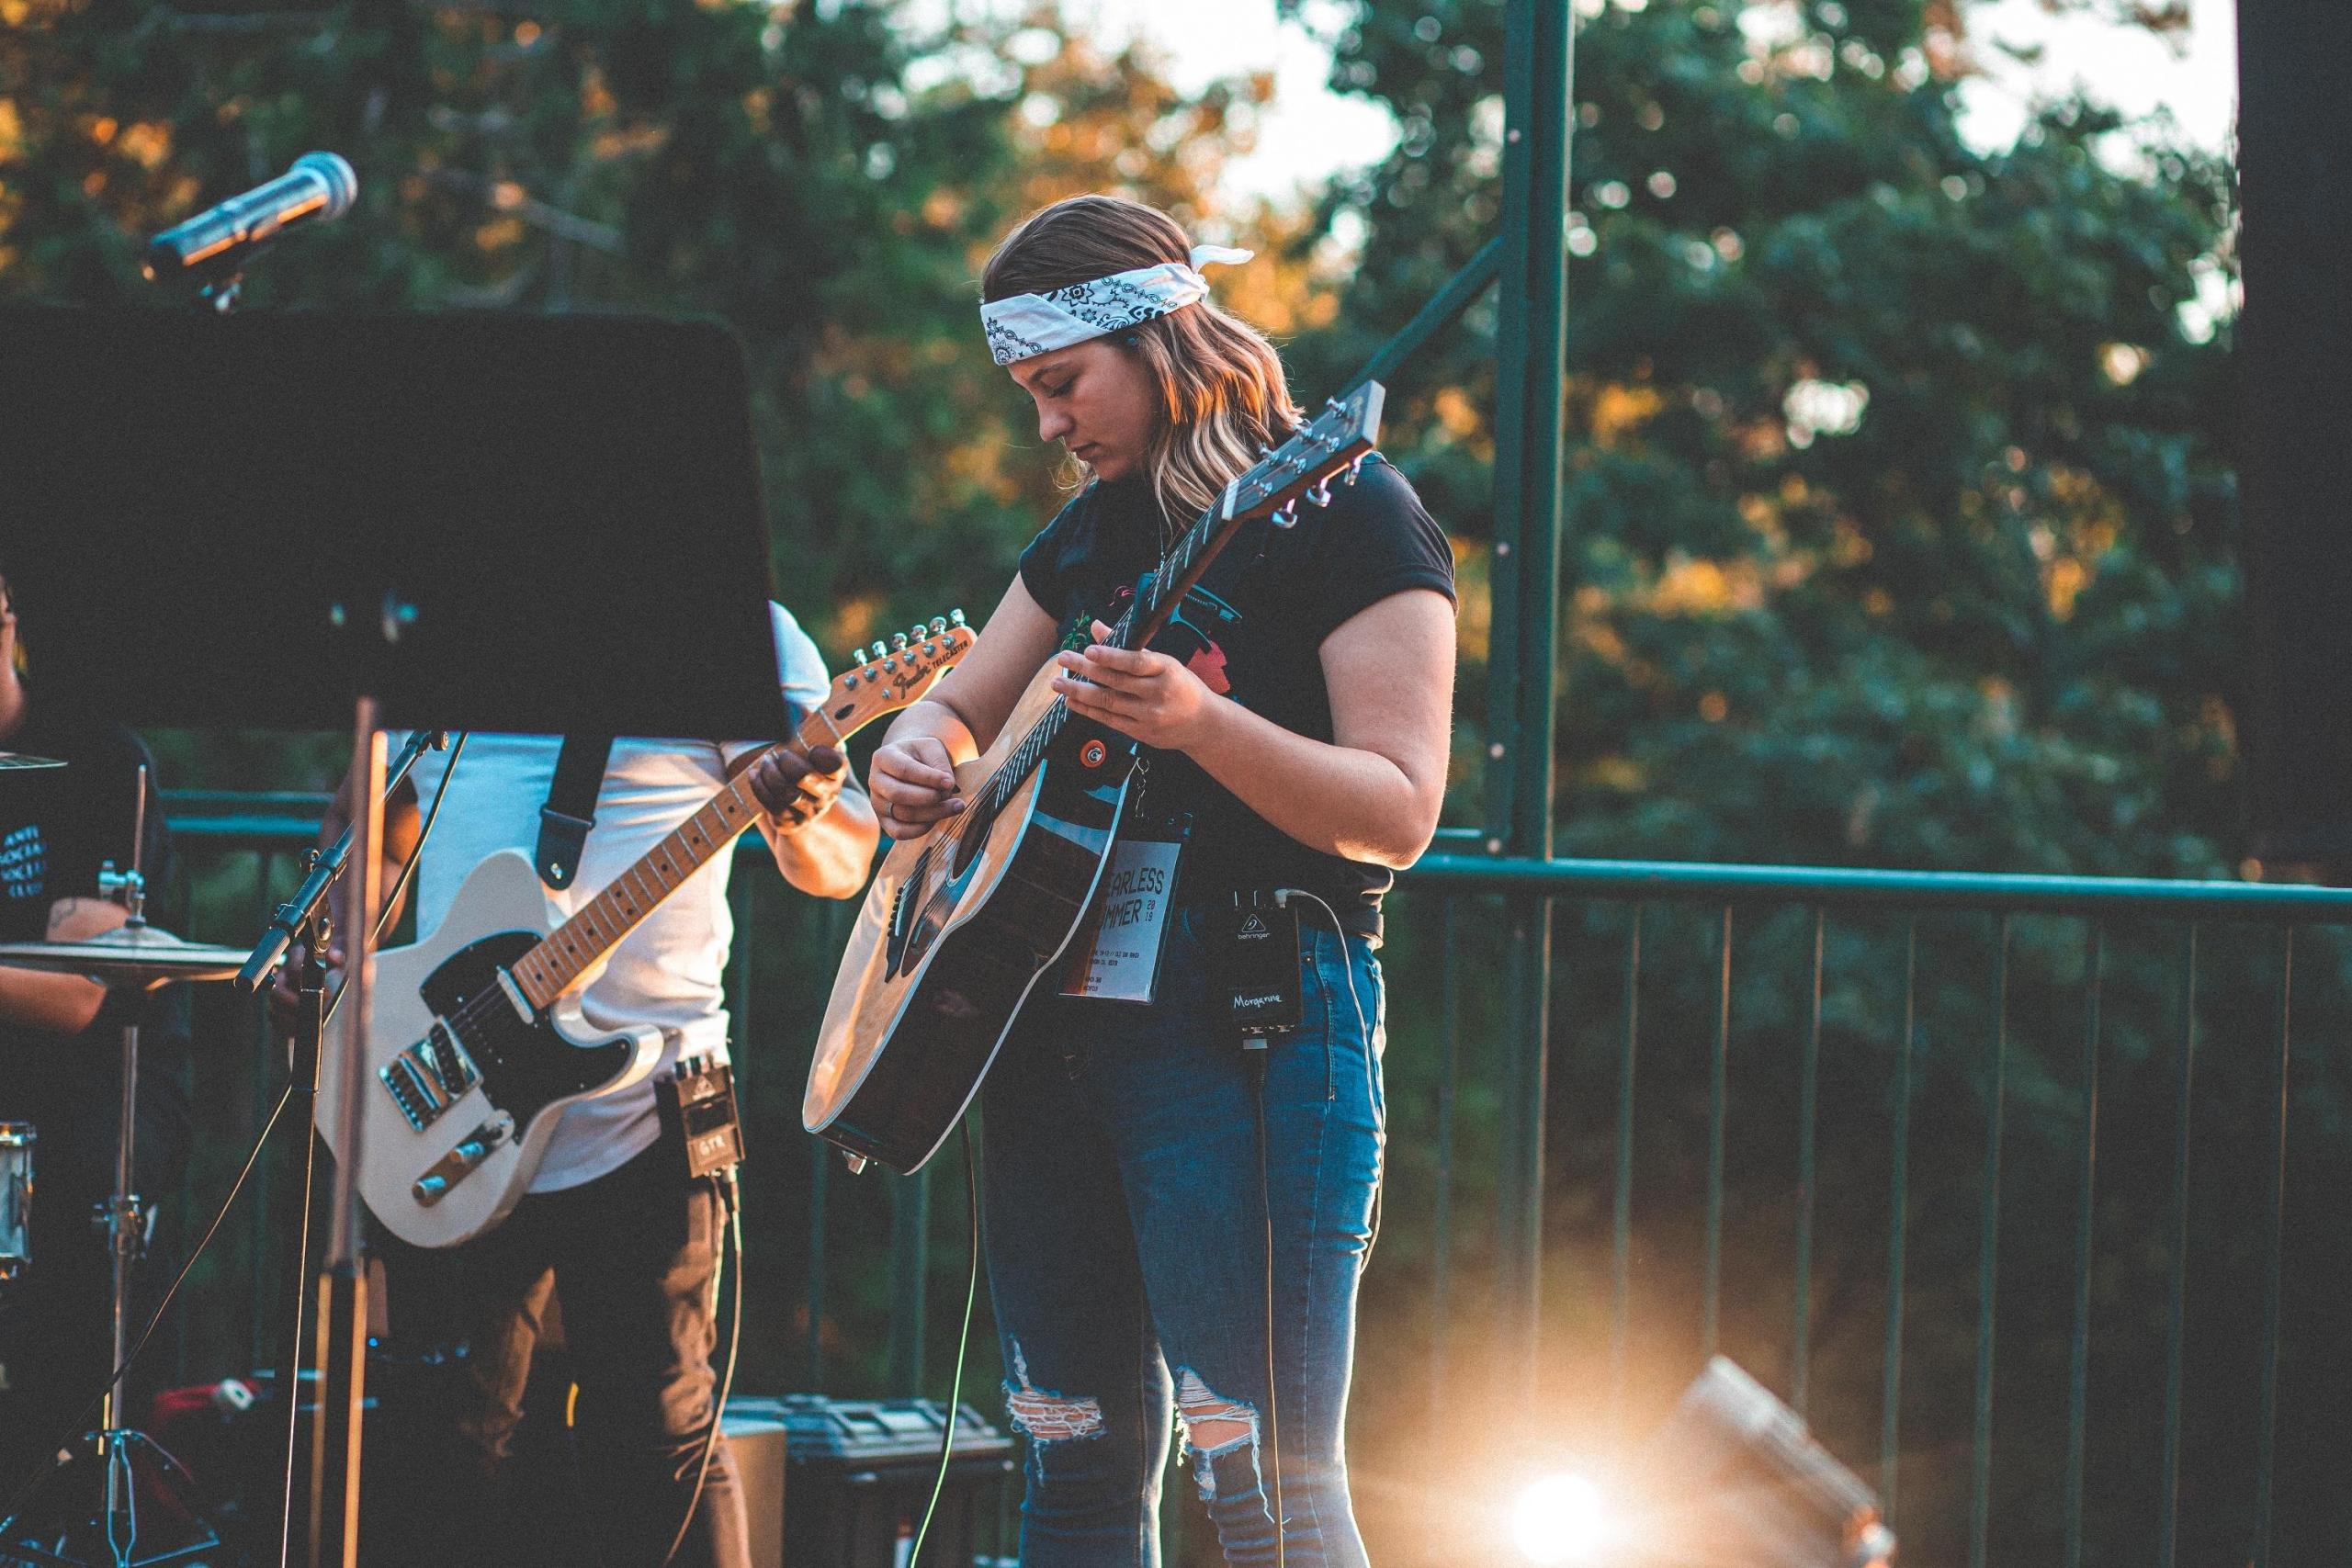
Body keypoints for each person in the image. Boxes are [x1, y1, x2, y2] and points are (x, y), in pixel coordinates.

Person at [865, 194, 1457, 1567]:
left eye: (1062, 383)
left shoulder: (1357, 511)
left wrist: (1201, 725)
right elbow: (952, 709)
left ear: (1157, 340)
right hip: (1050, 1033)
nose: (1047, 425)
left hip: (1248, 1023)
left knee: (1263, 1483)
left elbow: (1399, 810)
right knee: (1070, 1469)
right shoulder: (1092, 534)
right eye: (1028, 393)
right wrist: (917, 754)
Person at [282, 600, 876, 1568]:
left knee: (658, 1438)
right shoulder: (447, 627)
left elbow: (842, 861)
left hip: (647, 1105)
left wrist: (800, 810)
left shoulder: (729, 630)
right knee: (437, 1439)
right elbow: (370, 825)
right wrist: (342, 957)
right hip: (454, 1095)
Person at [0, 565, 191, 1485]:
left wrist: (51, 964)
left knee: (56, 1402)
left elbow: (83, 994)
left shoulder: (98, 762)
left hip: (91, 1117)